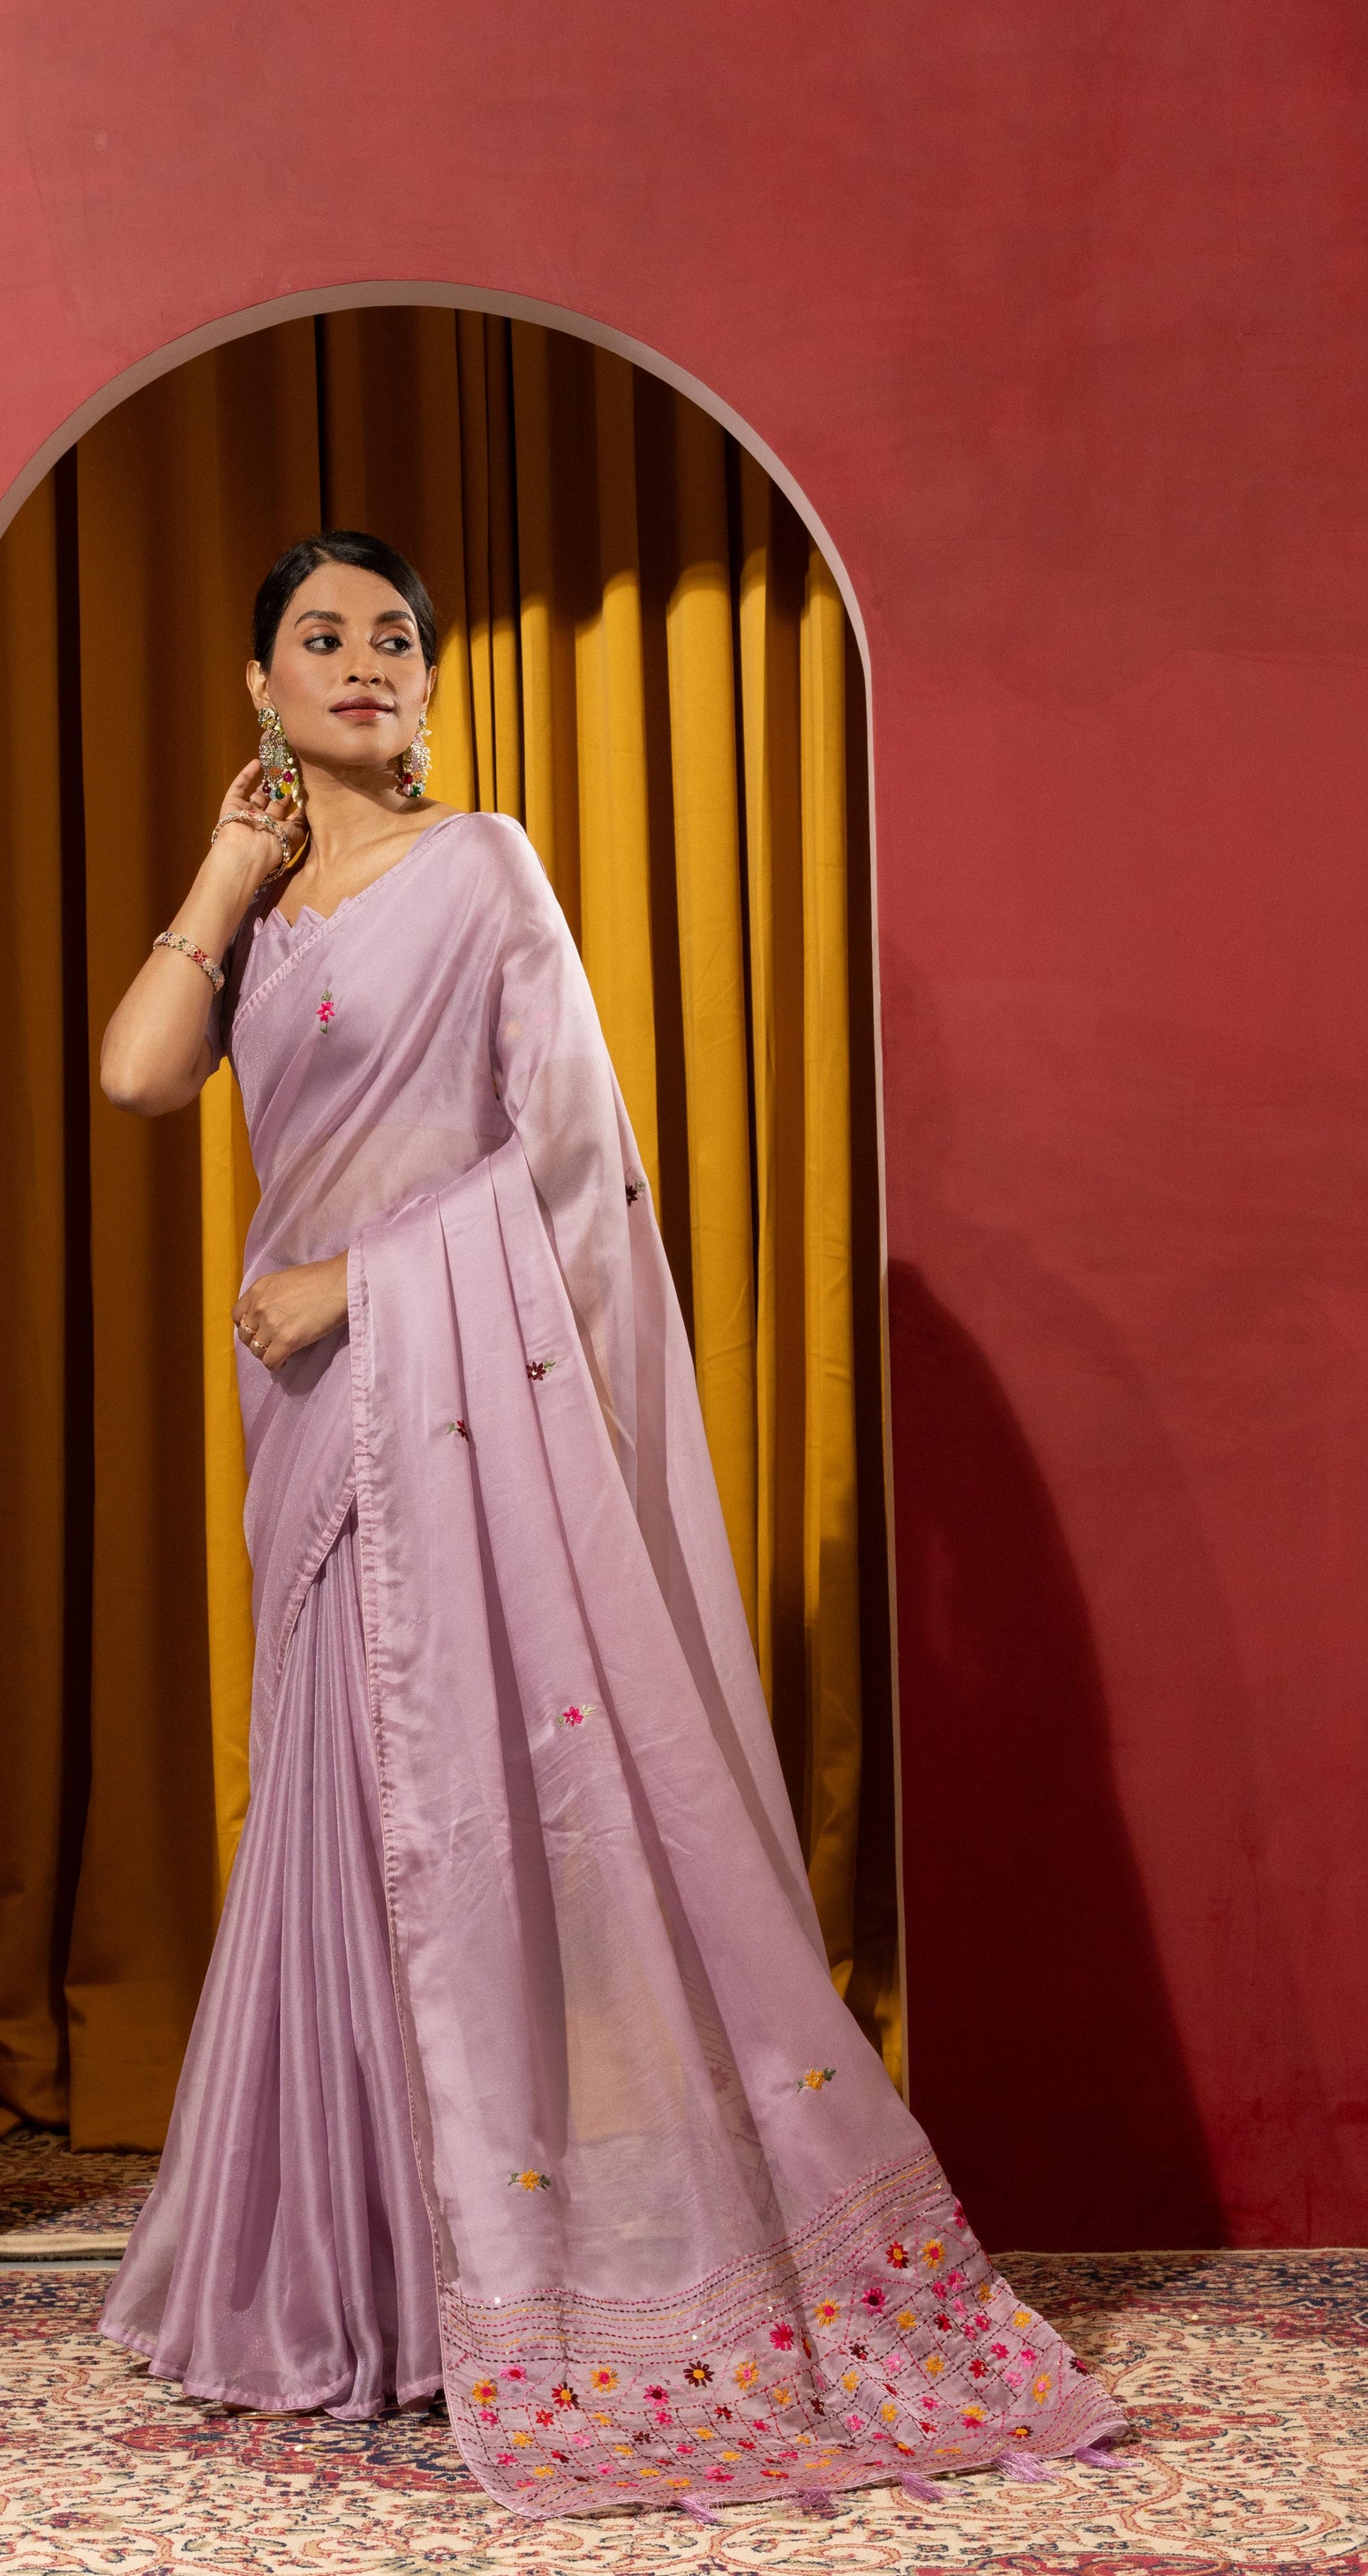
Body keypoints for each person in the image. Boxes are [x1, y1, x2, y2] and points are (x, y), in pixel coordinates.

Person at [94, 530, 1124, 2523]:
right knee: (340, 1826)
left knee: (469, 1822)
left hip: (432, 1397)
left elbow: (574, 1169)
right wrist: (225, 872)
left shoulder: (482, 867)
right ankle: (370, 2283)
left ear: (430, 681)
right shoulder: (268, 921)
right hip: (310, 1431)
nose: (366, 660)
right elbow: (140, 1072)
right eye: (321, 636)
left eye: (397, 637)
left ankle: (517, 2277)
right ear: (262, 688)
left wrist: (358, 1284)